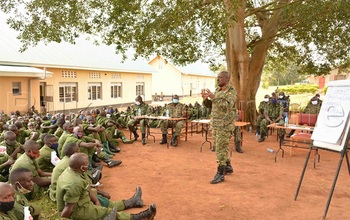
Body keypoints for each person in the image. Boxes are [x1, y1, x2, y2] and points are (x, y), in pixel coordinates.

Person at [56, 153, 157, 220]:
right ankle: (140, 217)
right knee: (108, 212)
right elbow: (68, 208)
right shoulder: (74, 183)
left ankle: (133, 202)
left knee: (105, 203)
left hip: (81, 201)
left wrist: (96, 201)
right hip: (76, 211)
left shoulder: (74, 171)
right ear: (81, 167)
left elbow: (86, 187)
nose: (89, 165)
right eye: (87, 164)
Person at [202, 71, 236, 184]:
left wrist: (213, 97)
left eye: (220, 78)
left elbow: (227, 106)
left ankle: (220, 173)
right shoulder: (217, 91)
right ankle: (228, 166)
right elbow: (212, 106)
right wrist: (206, 99)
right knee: (219, 146)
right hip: (216, 125)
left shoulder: (231, 92)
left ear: (226, 79)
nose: (218, 80)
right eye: (217, 78)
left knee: (221, 148)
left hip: (225, 125)